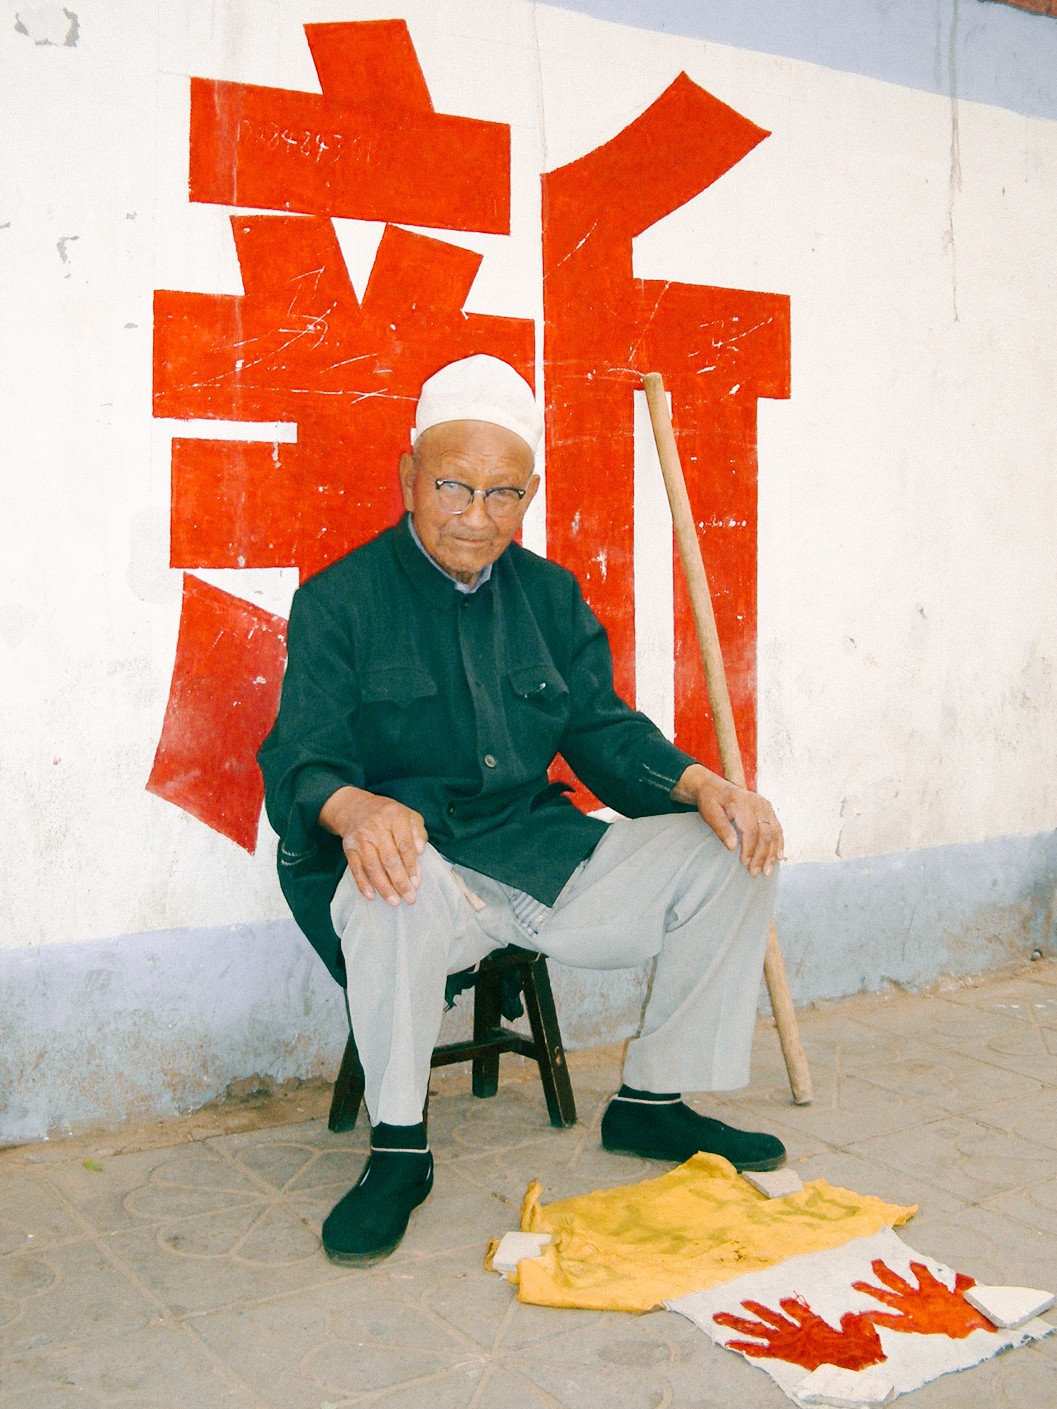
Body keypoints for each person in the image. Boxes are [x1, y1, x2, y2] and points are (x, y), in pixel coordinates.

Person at [258, 354, 786, 1265]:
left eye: (503, 494)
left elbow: (606, 736)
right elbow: (299, 757)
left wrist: (707, 787)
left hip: (541, 857)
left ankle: (653, 1101)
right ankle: (398, 1150)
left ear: (529, 493)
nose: (474, 515)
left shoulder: (548, 594)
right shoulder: (339, 600)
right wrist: (354, 808)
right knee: (396, 878)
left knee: (733, 847)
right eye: (453, 485)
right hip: (425, 876)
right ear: (410, 477)